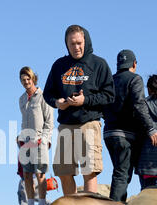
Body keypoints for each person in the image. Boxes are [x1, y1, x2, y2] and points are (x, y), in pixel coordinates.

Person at [43, 25, 115, 195]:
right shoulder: (59, 65)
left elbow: (109, 95)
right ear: (66, 45)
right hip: (65, 125)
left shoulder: (99, 64)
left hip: (89, 124)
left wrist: (85, 100)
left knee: (89, 171)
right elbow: (48, 94)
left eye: (79, 43)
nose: (76, 47)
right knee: (64, 172)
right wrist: (57, 102)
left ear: (86, 41)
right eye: (72, 44)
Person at [103, 49, 157, 202]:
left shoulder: (109, 81)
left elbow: (102, 104)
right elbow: (139, 105)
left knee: (119, 172)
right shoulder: (135, 79)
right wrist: (150, 128)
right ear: (134, 64)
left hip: (109, 133)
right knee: (122, 174)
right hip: (125, 134)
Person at [17, 66, 54, 205]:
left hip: (40, 140)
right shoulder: (21, 99)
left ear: (33, 79)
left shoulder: (43, 96)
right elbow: (23, 121)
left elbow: (49, 122)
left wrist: (44, 140)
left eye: (28, 79)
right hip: (26, 141)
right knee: (26, 174)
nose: (26, 82)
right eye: (23, 80)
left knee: (40, 174)